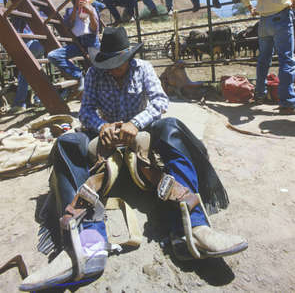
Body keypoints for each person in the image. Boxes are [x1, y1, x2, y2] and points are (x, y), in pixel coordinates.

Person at [20, 26, 247, 291]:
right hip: (106, 134)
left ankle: (193, 227)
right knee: (68, 142)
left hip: (141, 130)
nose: (115, 69)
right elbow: (86, 111)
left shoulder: (143, 68)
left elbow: (159, 102)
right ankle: (86, 243)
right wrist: (101, 126)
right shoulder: (95, 73)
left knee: (172, 126)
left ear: (129, 57)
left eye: (120, 63)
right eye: (111, 64)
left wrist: (135, 124)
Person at [237, 0, 295, 114]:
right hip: (281, 18)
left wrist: (250, 8)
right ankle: (287, 101)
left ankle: (259, 94)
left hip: (263, 22)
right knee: (286, 59)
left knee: (264, 59)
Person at [48, 0, 100, 92]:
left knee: (100, 69)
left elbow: (95, 29)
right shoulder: (69, 11)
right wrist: (76, 10)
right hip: (78, 43)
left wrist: (90, 14)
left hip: (92, 42)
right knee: (53, 56)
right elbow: (68, 27)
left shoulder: (93, 8)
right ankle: (78, 74)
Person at [10, 18, 44, 113]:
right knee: (38, 73)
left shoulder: (17, 14)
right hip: (39, 43)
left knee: (24, 74)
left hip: (28, 42)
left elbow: (14, 32)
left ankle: (19, 104)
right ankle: (39, 100)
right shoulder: (35, 12)